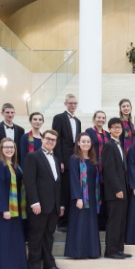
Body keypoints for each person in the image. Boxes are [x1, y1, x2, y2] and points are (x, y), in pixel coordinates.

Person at [23, 131, 65, 269]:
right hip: (39, 205)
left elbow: (58, 184)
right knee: (36, 235)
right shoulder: (32, 157)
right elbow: (30, 182)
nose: (51, 141)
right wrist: (34, 202)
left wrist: (61, 204)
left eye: (53, 140)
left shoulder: (56, 159)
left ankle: (48, 264)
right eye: (48, 138)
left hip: (53, 205)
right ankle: (34, 266)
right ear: (42, 139)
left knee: (48, 235)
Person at [0, 139, 28, 269]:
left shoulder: (16, 164)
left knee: (15, 238)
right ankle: (5, 268)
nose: (9, 150)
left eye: (11, 147)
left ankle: (16, 266)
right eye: (6, 147)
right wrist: (4, 209)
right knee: (5, 238)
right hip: (5, 208)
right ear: (1, 149)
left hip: (16, 206)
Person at [65, 133, 102, 259]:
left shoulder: (93, 160)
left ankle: (91, 252)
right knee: (80, 223)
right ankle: (78, 252)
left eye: (88, 141)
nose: (86, 144)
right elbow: (74, 179)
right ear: (78, 143)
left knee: (90, 224)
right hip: (80, 197)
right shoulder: (74, 159)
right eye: (83, 141)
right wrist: (78, 197)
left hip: (92, 197)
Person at [101, 118, 131, 259]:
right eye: (114, 127)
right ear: (110, 129)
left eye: (119, 127)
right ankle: (111, 251)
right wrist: (118, 189)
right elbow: (109, 170)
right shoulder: (109, 145)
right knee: (114, 221)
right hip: (115, 191)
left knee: (121, 220)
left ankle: (119, 249)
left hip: (123, 189)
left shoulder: (120, 144)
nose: (117, 129)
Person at [51, 94, 82, 231]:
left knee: (72, 189)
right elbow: (55, 141)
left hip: (75, 160)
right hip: (64, 160)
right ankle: (61, 222)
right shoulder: (59, 118)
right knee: (63, 190)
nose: (73, 105)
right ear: (65, 104)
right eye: (70, 103)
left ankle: (71, 219)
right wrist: (60, 161)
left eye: (75, 103)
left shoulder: (78, 121)